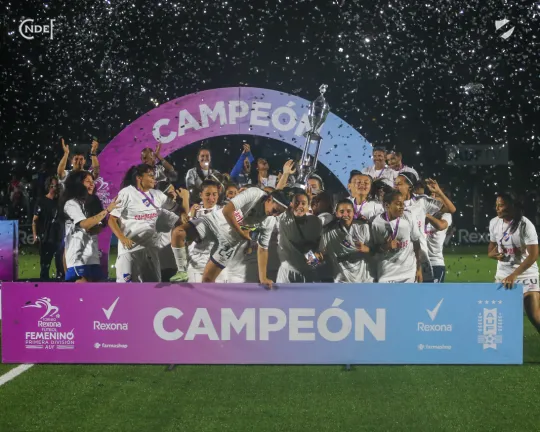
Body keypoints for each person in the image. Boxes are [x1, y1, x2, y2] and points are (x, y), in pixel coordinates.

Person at [169, 187, 290, 287]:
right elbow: (227, 211)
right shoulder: (254, 193)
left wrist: (263, 278)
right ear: (269, 199)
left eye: (279, 213)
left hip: (230, 241)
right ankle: (182, 271)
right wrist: (242, 234)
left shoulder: (270, 221)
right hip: (215, 222)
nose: (275, 215)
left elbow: (263, 249)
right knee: (178, 233)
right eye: (275, 210)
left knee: (207, 281)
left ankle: (209, 306)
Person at [108, 164, 172, 283]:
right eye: (150, 175)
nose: (154, 178)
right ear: (139, 178)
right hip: (130, 251)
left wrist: (181, 199)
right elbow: (111, 219)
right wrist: (122, 238)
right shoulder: (126, 193)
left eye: (154, 175)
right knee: (126, 290)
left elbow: (175, 208)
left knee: (152, 289)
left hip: (150, 250)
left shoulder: (157, 195)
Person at [488, 192, 540, 333]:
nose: (497, 208)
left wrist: (514, 275)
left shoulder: (525, 225)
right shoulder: (494, 223)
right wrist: (492, 254)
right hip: (503, 275)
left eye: (501, 205)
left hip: (526, 275)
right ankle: (507, 346)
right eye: (496, 205)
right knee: (500, 317)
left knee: (535, 316)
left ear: (511, 206)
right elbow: (491, 249)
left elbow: (533, 255)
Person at [394, 172, 456, 282]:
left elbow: (451, 209)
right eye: (395, 184)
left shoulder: (421, 202)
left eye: (399, 184)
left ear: (410, 186)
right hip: (400, 258)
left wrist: (438, 191)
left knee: (428, 292)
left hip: (421, 258)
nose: (395, 186)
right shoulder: (391, 203)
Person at [60, 171, 118, 282]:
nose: (92, 184)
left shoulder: (90, 203)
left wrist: (102, 223)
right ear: (78, 184)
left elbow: (94, 229)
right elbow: (85, 225)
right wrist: (107, 210)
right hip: (78, 260)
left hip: (92, 259)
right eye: (87, 181)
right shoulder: (71, 204)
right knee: (81, 291)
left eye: (92, 181)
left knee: (95, 291)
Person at [371, 190, 423, 283]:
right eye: (398, 204)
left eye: (403, 203)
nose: (402, 206)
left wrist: (419, 269)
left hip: (409, 272)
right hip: (387, 273)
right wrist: (386, 246)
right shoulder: (376, 223)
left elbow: (416, 243)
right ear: (387, 205)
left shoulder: (409, 217)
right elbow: (374, 250)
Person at [182, 180, 227, 283]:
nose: (211, 198)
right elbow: (187, 240)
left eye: (214, 194)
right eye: (207, 194)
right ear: (200, 195)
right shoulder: (194, 212)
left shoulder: (224, 212)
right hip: (197, 264)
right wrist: (192, 217)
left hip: (217, 265)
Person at [319, 199, 374, 283]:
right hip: (342, 280)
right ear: (336, 214)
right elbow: (320, 254)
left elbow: (377, 251)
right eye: (341, 211)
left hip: (365, 279)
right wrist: (311, 260)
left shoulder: (363, 227)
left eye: (348, 211)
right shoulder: (328, 233)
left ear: (354, 213)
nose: (345, 214)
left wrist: (366, 249)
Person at [276, 189, 323, 283]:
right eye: (296, 202)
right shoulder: (282, 219)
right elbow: (276, 196)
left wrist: (317, 256)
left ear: (308, 206)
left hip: (308, 273)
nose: (300, 206)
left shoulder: (315, 221)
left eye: (303, 203)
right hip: (287, 274)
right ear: (291, 204)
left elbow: (318, 247)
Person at [31, 176, 65, 280]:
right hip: (46, 237)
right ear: (49, 186)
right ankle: (44, 285)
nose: (56, 187)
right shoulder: (41, 201)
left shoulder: (61, 202)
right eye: (54, 185)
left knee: (61, 265)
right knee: (45, 265)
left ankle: (61, 284)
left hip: (59, 237)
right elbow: (35, 220)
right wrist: (35, 235)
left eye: (57, 185)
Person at [424, 187, 453, 283]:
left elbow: (441, 226)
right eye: (431, 194)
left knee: (433, 293)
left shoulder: (446, 216)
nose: (432, 196)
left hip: (435, 263)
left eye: (436, 195)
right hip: (419, 263)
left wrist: (427, 215)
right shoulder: (422, 212)